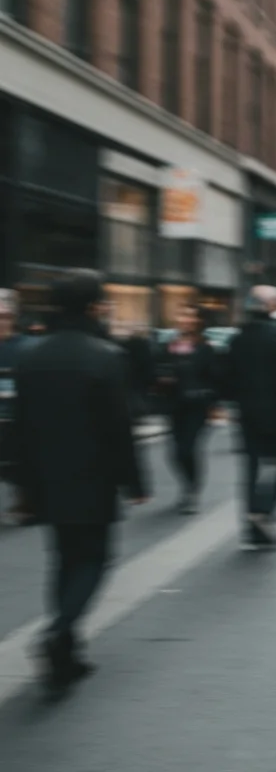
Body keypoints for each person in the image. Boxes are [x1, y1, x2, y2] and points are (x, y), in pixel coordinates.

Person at [10, 271, 148, 696]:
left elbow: (20, 428)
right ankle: (60, 631)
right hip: (93, 477)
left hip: (45, 477)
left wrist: (23, 487)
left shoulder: (31, 357)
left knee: (63, 559)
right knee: (93, 560)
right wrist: (133, 481)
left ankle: (67, 655)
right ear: (93, 307)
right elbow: (118, 428)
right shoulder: (104, 357)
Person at [222, 286, 276, 549]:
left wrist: (235, 404)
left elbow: (227, 376)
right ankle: (264, 510)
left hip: (247, 413)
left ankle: (251, 524)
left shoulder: (239, 337)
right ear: (270, 305)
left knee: (251, 467)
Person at [157, 305, 219, 514]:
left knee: (188, 448)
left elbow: (215, 377)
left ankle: (192, 490)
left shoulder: (205, 348)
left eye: (189, 316)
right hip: (175, 406)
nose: (185, 320)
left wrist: (213, 403)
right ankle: (187, 485)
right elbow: (157, 370)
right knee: (174, 452)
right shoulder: (169, 346)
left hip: (197, 406)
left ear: (198, 322)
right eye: (182, 315)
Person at [0, 291, 33, 524]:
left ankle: (26, 503)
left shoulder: (27, 347)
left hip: (18, 415)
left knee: (19, 466)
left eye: (4, 315)